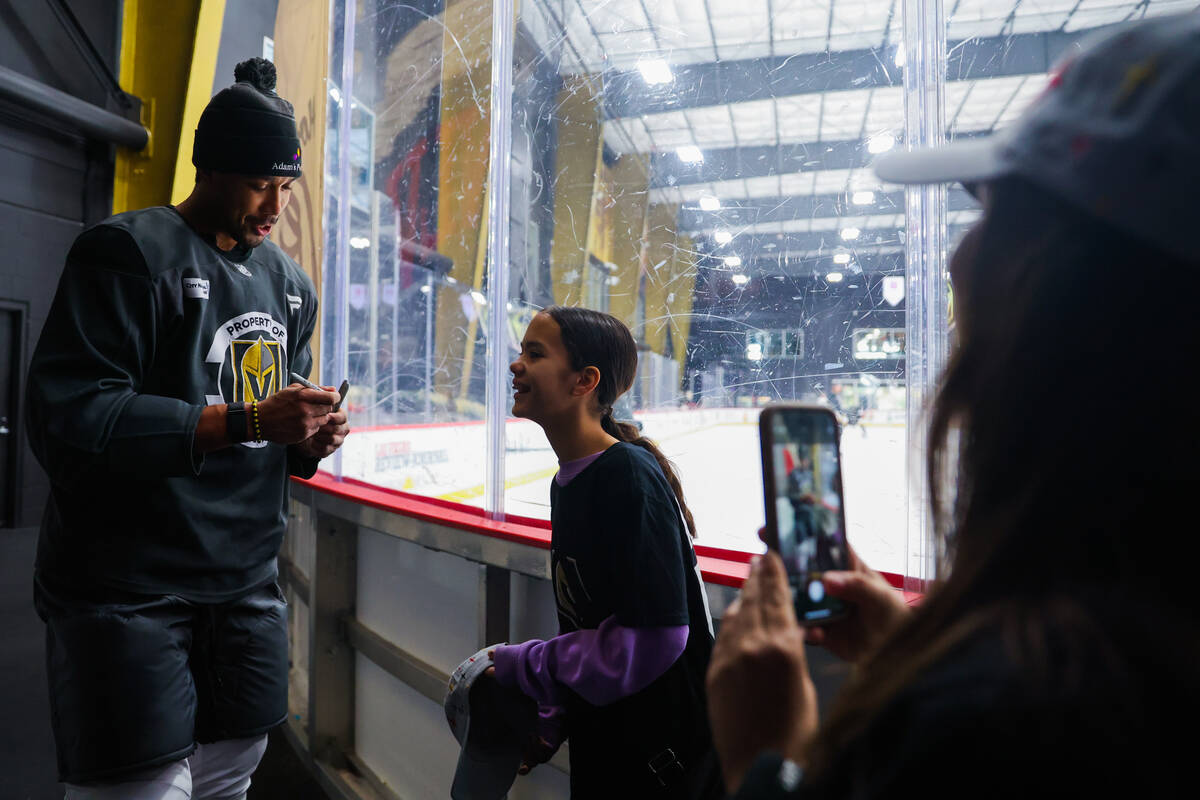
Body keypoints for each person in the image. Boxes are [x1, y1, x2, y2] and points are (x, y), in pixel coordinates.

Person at [706, 13, 1200, 798]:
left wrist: (764, 763)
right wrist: (908, 656)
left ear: (1070, 289)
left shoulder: (1020, 708)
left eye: (994, 214)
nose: (957, 256)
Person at [26, 58, 349, 800]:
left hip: (242, 583)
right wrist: (245, 420)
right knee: (137, 786)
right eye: (261, 183)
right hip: (126, 589)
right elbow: (72, 419)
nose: (276, 205)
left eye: (287, 187)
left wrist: (304, 440)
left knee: (231, 773)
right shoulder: (125, 254)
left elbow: (269, 433)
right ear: (211, 168)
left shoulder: (292, 287)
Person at [484, 306, 723, 798]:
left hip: (661, 762)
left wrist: (533, 665)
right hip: (612, 746)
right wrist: (555, 712)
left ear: (584, 381)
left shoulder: (625, 475)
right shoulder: (569, 480)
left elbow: (655, 638)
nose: (516, 365)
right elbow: (590, 624)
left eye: (535, 353)